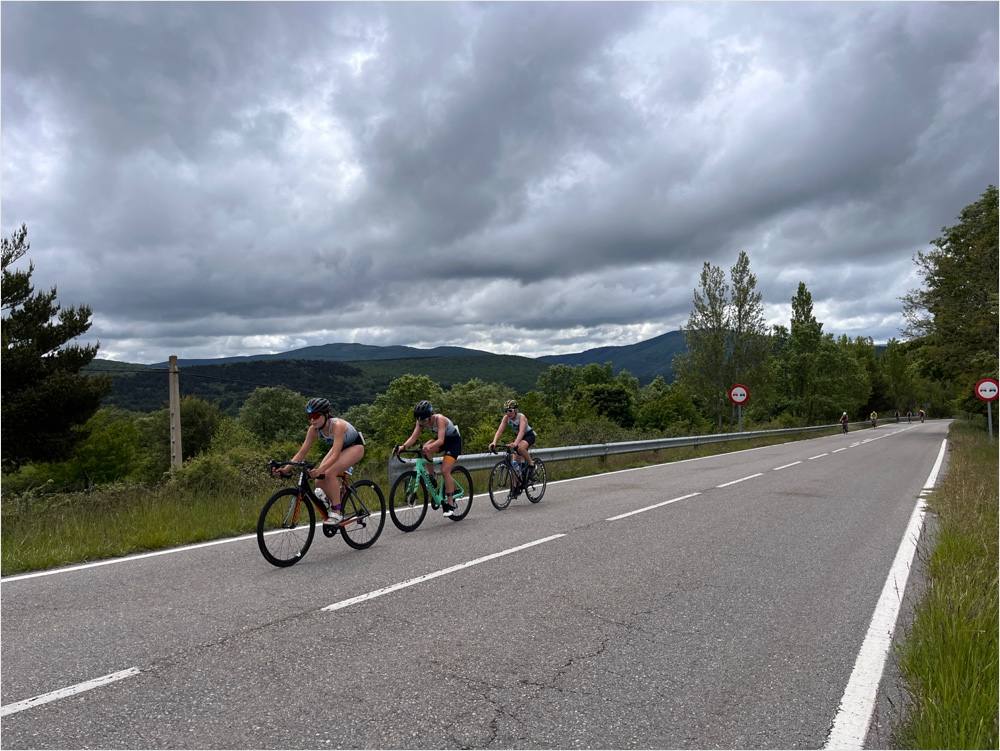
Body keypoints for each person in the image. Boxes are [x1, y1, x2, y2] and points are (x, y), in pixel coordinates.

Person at [273, 397, 365, 525]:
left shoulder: (338, 425)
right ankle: (332, 499)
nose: (312, 420)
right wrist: (285, 469)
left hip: (355, 447)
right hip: (338, 448)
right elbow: (302, 452)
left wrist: (320, 470)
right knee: (319, 480)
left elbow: (335, 455)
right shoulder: (313, 429)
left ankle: (337, 512)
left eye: (316, 416)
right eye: (309, 416)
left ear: (326, 415)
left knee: (329, 473)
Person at [397, 400, 462, 516]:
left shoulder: (440, 419)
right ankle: (432, 476)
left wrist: (430, 446)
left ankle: (450, 503)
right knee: (424, 448)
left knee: (445, 470)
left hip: (453, 442)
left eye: (424, 420)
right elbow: (413, 437)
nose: (422, 422)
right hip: (443, 441)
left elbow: (440, 440)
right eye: (419, 420)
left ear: (430, 416)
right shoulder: (420, 421)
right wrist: (403, 447)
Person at [490, 400, 538, 491]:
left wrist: (515, 443)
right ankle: (516, 486)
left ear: (516, 410)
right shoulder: (506, 418)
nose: (508, 413)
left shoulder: (521, 417)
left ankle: (531, 464)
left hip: (528, 435)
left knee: (520, 448)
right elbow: (499, 431)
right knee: (514, 463)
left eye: (510, 410)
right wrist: (494, 442)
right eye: (506, 411)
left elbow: (521, 432)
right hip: (519, 437)